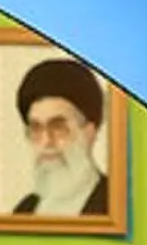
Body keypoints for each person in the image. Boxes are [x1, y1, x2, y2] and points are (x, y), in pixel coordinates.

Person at [12, 59, 110, 216]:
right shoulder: (25, 210)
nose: (46, 142)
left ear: (89, 132)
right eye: (36, 128)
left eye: (58, 128)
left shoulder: (114, 204)